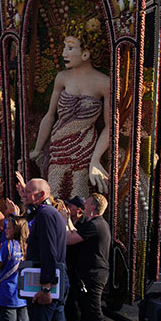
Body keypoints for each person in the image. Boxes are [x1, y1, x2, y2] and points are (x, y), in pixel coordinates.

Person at [29, 18, 110, 200]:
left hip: (84, 150)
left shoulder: (104, 83)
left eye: (70, 48)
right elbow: (50, 116)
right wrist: (37, 148)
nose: (64, 52)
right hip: (57, 148)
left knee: (78, 200)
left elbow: (110, 126)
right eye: (64, 46)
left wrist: (96, 158)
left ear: (85, 54)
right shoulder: (62, 78)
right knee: (54, 196)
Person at [67, 193, 117, 321]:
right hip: (91, 274)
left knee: (95, 313)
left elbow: (70, 239)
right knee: (88, 312)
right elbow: (75, 232)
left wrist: (62, 220)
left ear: (93, 207)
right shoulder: (94, 224)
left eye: (87, 203)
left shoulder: (96, 224)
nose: (84, 206)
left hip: (95, 274)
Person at [23, 178, 69, 321]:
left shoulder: (45, 214)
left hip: (48, 285)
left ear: (41, 195)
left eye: (27, 192)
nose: (24, 195)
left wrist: (45, 288)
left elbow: (49, 252)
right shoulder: (49, 213)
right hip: (56, 282)